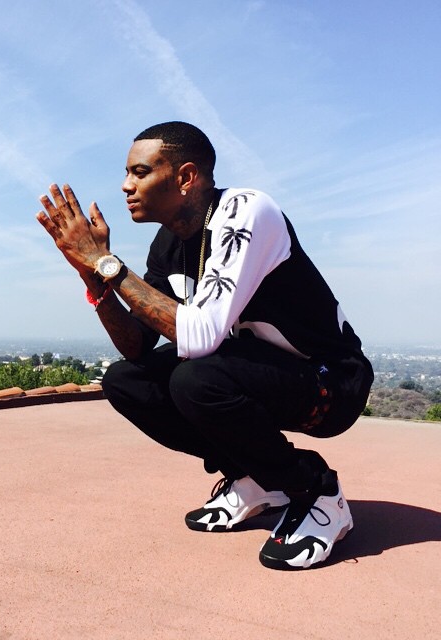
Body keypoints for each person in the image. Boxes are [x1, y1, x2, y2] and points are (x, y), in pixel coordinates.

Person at [36, 121, 373, 570]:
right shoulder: (167, 243)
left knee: (196, 377)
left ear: (185, 177)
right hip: (260, 373)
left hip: (330, 383)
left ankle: (315, 490)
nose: (125, 185)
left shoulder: (247, 212)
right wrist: (91, 273)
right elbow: (137, 346)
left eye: (139, 172)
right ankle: (254, 479)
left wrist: (107, 262)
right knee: (126, 381)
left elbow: (200, 336)